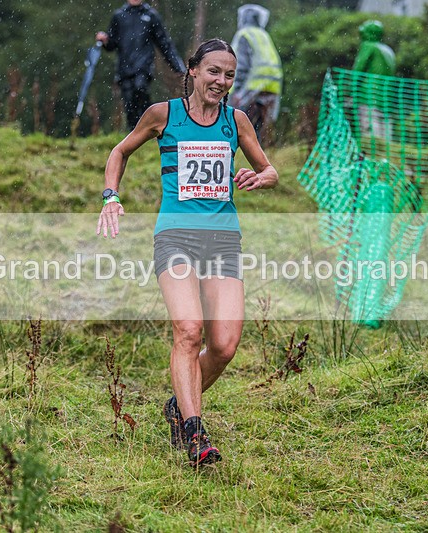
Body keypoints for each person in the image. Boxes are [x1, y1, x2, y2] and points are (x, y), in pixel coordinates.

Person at [97, 39, 278, 467]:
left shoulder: (236, 121)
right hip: (175, 237)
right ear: (193, 71)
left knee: (225, 344)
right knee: (188, 329)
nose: (221, 81)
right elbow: (119, 151)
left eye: (230, 75)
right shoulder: (164, 115)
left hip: (222, 241)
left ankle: (179, 404)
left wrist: (259, 177)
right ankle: (194, 431)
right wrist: (110, 196)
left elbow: (270, 170)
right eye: (213, 71)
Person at [96, 0, 187, 130]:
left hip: (143, 66)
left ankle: (148, 127)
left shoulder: (151, 15)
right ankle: (132, 134)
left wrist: (177, 67)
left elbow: (164, 43)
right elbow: (112, 44)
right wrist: (105, 40)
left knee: (140, 89)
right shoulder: (119, 16)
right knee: (128, 100)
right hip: (124, 67)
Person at [229, 4, 283, 143]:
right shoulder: (264, 35)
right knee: (260, 130)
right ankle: (260, 159)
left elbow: (241, 65)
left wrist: (238, 91)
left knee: (240, 126)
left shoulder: (244, 35)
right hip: (271, 88)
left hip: (252, 88)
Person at [352, 20, 396, 140]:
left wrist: (351, 91)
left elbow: (358, 70)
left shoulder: (368, 46)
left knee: (370, 134)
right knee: (385, 136)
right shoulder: (388, 50)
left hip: (369, 96)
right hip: (387, 98)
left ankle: (372, 157)